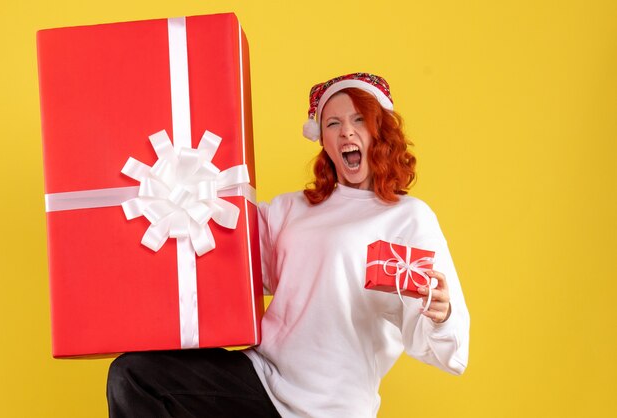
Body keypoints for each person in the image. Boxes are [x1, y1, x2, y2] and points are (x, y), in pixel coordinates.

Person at [107, 72, 470, 418]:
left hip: (332, 403)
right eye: (332, 123)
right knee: (134, 375)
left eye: (359, 120)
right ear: (322, 139)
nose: (346, 131)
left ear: (380, 131)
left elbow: (446, 352)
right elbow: (227, 256)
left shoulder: (406, 217)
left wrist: (441, 316)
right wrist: (175, 191)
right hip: (260, 376)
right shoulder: (291, 208)